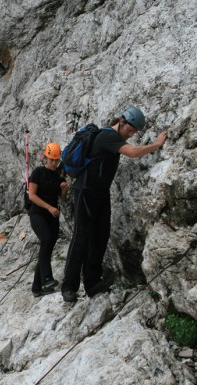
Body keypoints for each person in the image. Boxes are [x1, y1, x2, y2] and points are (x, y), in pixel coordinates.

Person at [61, 107, 168, 303]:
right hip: (85, 191)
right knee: (81, 237)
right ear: (121, 121)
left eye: (134, 132)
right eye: (130, 130)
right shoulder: (106, 136)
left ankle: (92, 283)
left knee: (100, 236)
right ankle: (68, 287)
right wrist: (157, 144)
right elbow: (133, 153)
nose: (131, 134)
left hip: (100, 194)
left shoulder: (114, 137)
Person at [27, 142, 69, 297]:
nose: (53, 163)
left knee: (47, 249)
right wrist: (49, 207)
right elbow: (32, 195)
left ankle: (36, 288)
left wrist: (64, 190)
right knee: (45, 240)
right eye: (51, 159)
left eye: (56, 160)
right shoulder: (38, 172)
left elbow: (62, 199)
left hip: (52, 216)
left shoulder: (58, 176)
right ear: (45, 158)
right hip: (37, 213)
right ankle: (47, 278)